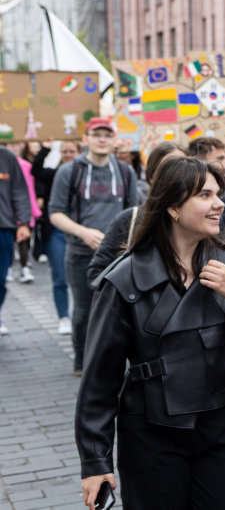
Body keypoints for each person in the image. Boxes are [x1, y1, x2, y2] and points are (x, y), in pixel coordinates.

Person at [75, 157, 225, 510]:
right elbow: (99, 378)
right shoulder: (125, 278)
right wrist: (95, 462)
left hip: (219, 434)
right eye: (205, 194)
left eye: (218, 193)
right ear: (173, 207)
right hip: (150, 435)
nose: (219, 203)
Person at [49, 118, 139, 375]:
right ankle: (82, 360)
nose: (102, 139)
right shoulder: (70, 170)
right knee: (84, 311)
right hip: (80, 253)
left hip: (118, 255)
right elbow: (55, 213)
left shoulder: (125, 171)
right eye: (96, 134)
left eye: (107, 135)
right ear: (85, 138)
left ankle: (115, 360)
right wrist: (82, 232)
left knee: (122, 310)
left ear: (114, 140)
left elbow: (134, 213)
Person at [85, 142, 187, 286]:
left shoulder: (204, 221)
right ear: (152, 177)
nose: (178, 175)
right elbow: (97, 274)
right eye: (169, 168)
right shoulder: (128, 220)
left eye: (185, 168)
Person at [32, 140, 81, 334]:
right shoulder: (55, 174)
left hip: (81, 232)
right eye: (64, 151)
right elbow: (36, 170)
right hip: (56, 233)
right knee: (60, 277)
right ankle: (64, 317)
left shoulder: (86, 175)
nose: (68, 154)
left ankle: (82, 315)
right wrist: (45, 148)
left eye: (72, 151)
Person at [0, 147, 32, 336]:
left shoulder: (7, 157)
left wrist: (24, 223)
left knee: (1, 279)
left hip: (3, 227)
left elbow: (20, 192)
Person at [14, 143, 42, 284]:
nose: (14, 147)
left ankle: (25, 268)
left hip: (24, 207)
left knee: (24, 240)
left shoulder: (26, 165)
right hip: (7, 209)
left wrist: (34, 206)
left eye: (15, 145)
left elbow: (30, 188)